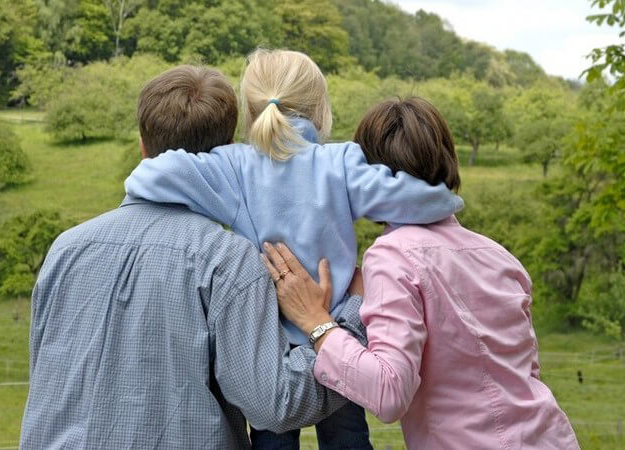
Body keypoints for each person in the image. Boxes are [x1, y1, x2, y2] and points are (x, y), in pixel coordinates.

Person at [124, 49, 464, 449]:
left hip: (269, 345)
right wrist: (448, 203)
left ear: (251, 110)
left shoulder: (233, 167)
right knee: (348, 441)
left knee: (272, 442)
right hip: (337, 335)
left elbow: (150, 176)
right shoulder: (340, 163)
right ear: (320, 109)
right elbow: (415, 199)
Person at [19, 65, 366, 449]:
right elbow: (275, 405)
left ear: (142, 146)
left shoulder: (65, 249)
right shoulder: (226, 262)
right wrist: (344, 324)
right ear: (225, 152)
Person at [261, 97, 581, 449]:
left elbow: (389, 393)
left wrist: (315, 322)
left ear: (371, 176)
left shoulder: (392, 256)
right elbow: (524, 374)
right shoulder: (500, 257)